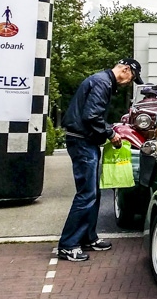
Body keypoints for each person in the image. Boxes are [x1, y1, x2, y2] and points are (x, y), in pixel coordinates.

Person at [58, 58, 142, 262]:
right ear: (125, 70)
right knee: (87, 194)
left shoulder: (100, 80)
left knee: (92, 193)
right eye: (132, 77)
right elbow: (92, 116)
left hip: (82, 140)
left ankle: (87, 237)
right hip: (82, 141)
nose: (129, 82)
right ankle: (68, 245)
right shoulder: (103, 83)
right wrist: (111, 133)